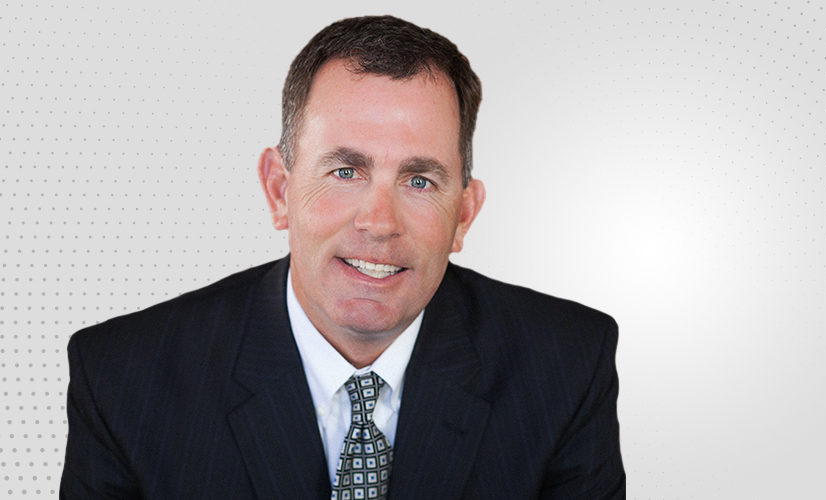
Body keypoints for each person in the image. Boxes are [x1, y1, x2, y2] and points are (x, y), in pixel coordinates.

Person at [59, 15, 624, 500]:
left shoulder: (569, 365)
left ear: (464, 214)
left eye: (420, 180)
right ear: (279, 190)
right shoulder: (120, 378)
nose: (378, 223)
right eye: (346, 171)